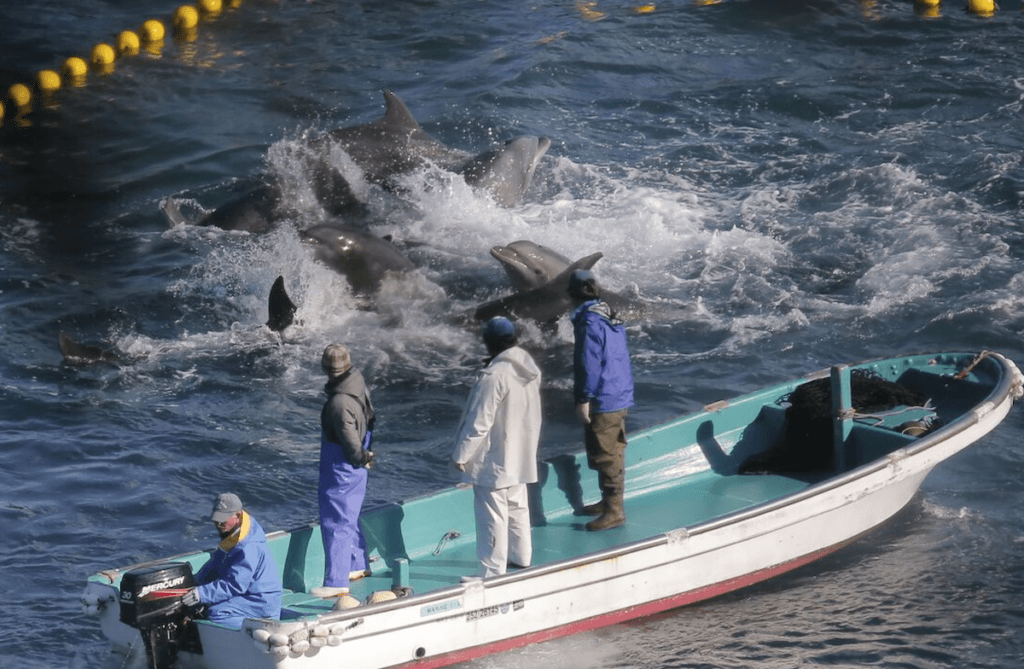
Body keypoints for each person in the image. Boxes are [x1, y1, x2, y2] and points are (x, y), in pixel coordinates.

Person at [452, 316, 542, 578]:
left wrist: (462, 454)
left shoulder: (493, 376)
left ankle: (492, 572)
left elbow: (479, 422)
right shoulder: (528, 367)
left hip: (495, 458)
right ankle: (522, 557)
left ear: (490, 344)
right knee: (517, 507)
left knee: (492, 516)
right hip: (520, 453)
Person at [567, 269, 634, 531]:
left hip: (604, 398)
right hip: (620, 392)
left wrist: (584, 398)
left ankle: (615, 511)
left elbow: (589, 365)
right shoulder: (609, 315)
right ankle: (609, 502)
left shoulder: (589, 322)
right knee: (614, 449)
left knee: (605, 454)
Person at [311, 343, 375, 599]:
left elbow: (349, 440)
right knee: (350, 515)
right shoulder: (358, 383)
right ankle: (358, 564)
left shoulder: (338, 403)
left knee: (336, 521)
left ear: (326, 368)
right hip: (357, 468)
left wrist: (359, 456)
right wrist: (367, 455)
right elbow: (371, 417)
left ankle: (336, 580)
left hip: (343, 468)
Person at [181, 492, 282, 629]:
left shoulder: (249, 546)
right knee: (208, 602)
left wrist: (202, 594)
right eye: (216, 519)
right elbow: (216, 564)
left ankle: (260, 628)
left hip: (261, 600)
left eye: (223, 520)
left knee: (217, 613)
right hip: (249, 593)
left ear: (238, 516)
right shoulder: (235, 532)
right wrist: (194, 582)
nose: (218, 524)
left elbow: (235, 585)